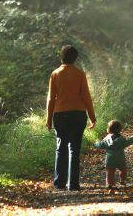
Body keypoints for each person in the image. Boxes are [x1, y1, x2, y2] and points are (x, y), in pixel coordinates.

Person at [46, 45, 96, 191]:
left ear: (61, 57)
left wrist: (49, 119)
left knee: (61, 148)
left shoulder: (55, 74)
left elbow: (51, 99)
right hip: (78, 115)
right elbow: (86, 97)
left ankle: (59, 183)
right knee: (74, 149)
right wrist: (92, 117)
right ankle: (73, 184)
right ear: (75, 58)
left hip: (60, 115)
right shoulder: (80, 74)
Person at [94, 120, 133, 189]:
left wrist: (96, 143)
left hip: (110, 159)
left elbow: (100, 145)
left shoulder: (106, 140)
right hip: (120, 159)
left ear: (109, 130)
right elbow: (128, 141)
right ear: (120, 130)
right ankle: (122, 180)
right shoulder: (121, 139)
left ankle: (110, 184)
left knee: (110, 172)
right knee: (123, 170)